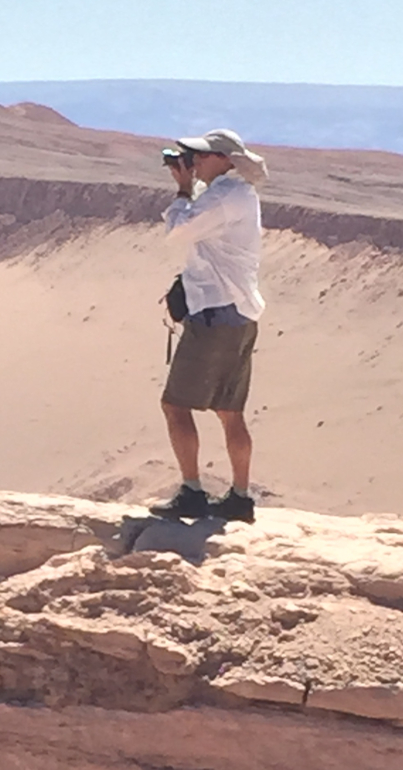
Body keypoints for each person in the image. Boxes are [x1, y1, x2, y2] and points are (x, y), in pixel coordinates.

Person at [152, 128, 268, 523]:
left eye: (202, 156)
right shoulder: (234, 193)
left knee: (174, 404)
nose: (195, 162)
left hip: (217, 314)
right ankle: (239, 496)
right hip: (237, 313)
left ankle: (192, 492)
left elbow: (180, 232)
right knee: (229, 410)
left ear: (226, 159)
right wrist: (190, 186)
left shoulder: (224, 198)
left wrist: (183, 189)